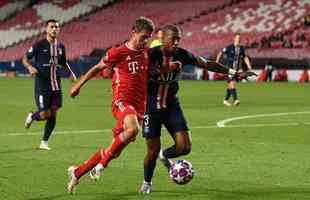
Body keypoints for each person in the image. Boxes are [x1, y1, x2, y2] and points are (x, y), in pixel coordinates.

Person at [139, 25, 256, 194]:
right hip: (151, 108)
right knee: (152, 150)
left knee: (184, 147)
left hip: (171, 106)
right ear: (164, 39)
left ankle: (164, 155)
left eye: (179, 39)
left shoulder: (182, 54)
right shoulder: (151, 55)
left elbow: (207, 63)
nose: (177, 42)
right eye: (174, 39)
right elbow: (141, 76)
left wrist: (234, 73)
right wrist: (166, 69)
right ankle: (147, 182)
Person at [66, 16, 155, 194]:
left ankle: (77, 173)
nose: (145, 41)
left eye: (148, 38)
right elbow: (97, 68)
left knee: (114, 149)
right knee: (133, 129)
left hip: (139, 107)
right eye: (143, 37)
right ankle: (100, 166)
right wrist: (78, 85)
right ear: (134, 32)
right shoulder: (117, 52)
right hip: (121, 102)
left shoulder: (147, 53)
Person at [23, 19, 74, 150]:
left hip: (56, 84)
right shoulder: (39, 45)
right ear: (46, 29)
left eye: (56, 27)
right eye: (52, 27)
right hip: (42, 85)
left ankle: (44, 142)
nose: (54, 29)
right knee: (45, 114)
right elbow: (25, 58)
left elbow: (63, 62)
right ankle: (32, 116)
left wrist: (71, 73)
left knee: (54, 112)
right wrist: (29, 67)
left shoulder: (61, 47)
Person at [216, 32, 253, 107]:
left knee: (230, 86)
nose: (239, 39)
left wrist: (249, 66)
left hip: (236, 70)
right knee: (232, 83)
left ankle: (225, 100)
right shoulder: (229, 47)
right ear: (234, 38)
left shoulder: (241, 48)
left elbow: (245, 57)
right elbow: (220, 53)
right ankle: (236, 100)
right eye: (237, 38)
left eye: (240, 38)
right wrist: (217, 62)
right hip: (229, 69)